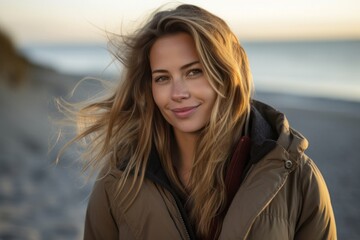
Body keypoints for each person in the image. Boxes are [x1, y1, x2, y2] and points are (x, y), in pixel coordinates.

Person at [62, 4, 337, 239]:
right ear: (150, 88)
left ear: (227, 74)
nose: (178, 93)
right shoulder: (119, 179)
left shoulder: (297, 178)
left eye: (194, 72)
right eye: (162, 78)